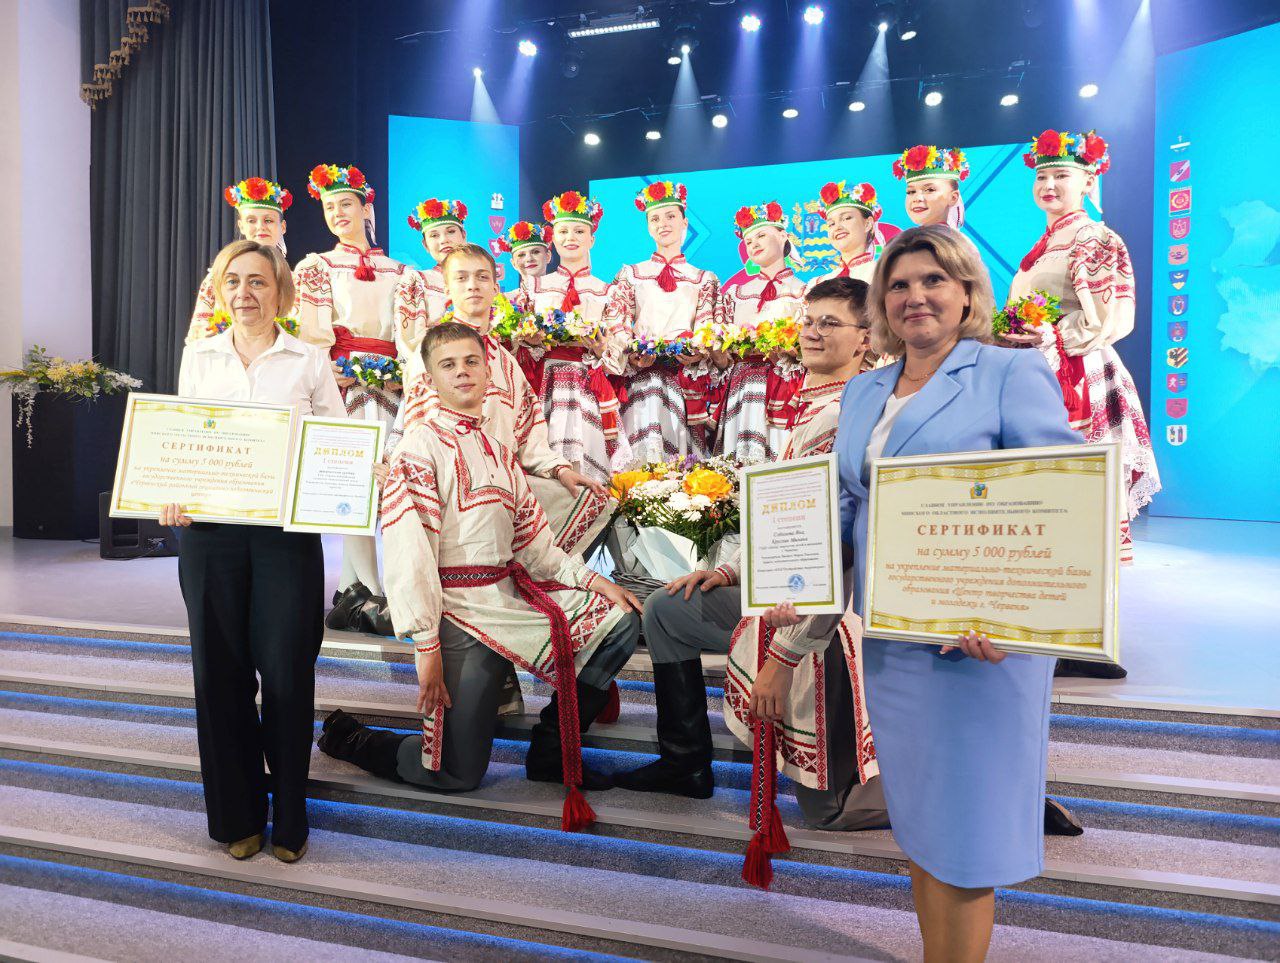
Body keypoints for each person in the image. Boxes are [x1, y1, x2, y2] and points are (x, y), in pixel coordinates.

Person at [831, 225, 1082, 960]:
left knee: (968, 834)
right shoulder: (864, 387)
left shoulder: (1010, 371)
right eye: (899, 284)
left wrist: (1014, 617)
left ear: (968, 292)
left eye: (934, 280)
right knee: (923, 824)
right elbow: (845, 506)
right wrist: (790, 585)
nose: (916, 296)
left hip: (982, 648)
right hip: (894, 642)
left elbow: (1058, 498)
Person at [318, 322, 641, 830]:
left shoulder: (497, 447)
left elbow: (534, 543)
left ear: (489, 371)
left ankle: (552, 748)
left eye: (471, 361)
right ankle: (352, 738)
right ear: (429, 379)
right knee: (455, 773)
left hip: (508, 599)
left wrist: (594, 582)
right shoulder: (420, 447)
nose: (463, 372)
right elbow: (410, 553)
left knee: (620, 622)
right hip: (459, 613)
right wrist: (426, 645)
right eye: (448, 365)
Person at [615, 279, 881, 838]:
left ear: (866, 338)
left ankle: (936, 792)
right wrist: (727, 570)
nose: (812, 332)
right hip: (788, 586)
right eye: (809, 320)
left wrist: (784, 652)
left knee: (829, 814)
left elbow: (834, 542)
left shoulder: (850, 413)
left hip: (832, 607)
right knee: (668, 608)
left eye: (830, 323)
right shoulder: (810, 407)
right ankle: (684, 762)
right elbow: (783, 522)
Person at [165, 240, 343, 864]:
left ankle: (290, 817)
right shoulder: (199, 357)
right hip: (210, 537)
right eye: (233, 281)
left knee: (288, 674)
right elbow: (179, 440)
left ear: (281, 292)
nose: (245, 293)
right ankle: (237, 817)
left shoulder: (309, 360)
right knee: (219, 676)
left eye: (258, 281)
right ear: (219, 292)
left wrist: (345, 482)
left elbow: (339, 442)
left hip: (285, 538)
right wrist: (169, 492)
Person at [1005, 129, 1161, 681]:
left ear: (1089, 181)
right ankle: (1057, 632)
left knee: (1083, 505)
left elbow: (1108, 320)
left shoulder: (1093, 237)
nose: (1048, 184)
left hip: (1078, 380)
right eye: (1042, 176)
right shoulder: (1047, 242)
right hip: (1045, 376)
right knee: (1052, 506)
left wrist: (1044, 333)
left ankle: (1090, 641)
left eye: (1061, 176)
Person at [393, 243, 612, 558]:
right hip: (453, 490)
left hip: (503, 484)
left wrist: (559, 469)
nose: (473, 285)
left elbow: (528, 432)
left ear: (496, 287)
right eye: (462, 278)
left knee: (595, 501)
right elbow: (420, 429)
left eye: (482, 277)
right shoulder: (431, 352)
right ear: (446, 288)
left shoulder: (504, 360)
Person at [293, 163, 408, 635]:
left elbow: (407, 332)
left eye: (346, 204)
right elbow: (309, 330)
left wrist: (405, 372)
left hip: (391, 385)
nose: (338, 213)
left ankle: (353, 589)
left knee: (387, 480)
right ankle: (372, 592)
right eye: (329, 207)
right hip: (342, 383)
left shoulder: (399, 271)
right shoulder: (317, 266)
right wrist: (328, 369)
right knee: (353, 482)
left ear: (366, 208)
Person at [510, 190, 630, 484]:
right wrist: (530, 341)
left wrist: (601, 347)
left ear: (592, 239)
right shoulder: (534, 287)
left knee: (589, 463)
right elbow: (513, 342)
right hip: (544, 383)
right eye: (563, 231)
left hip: (586, 384)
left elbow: (620, 350)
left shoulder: (608, 291)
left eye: (579, 231)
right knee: (543, 464)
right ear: (553, 238)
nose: (570, 237)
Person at [606, 181, 720, 463]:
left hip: (681, 379)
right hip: (641, 377)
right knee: (640, 456)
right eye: (655, 218)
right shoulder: (632, 273)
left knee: (681, 460)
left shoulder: (702, 278)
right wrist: (631, 352)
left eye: (670, 216)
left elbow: (707, 324)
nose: (663, 224)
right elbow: (617, 320)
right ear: (648, 226)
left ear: (685, 223)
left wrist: (697, 351)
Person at [714, 201, 806, 461]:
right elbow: (722, 356)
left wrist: (787, 349)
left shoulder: (802, 291)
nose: (754, 244)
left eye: (761, 235)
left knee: (778, 455)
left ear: (783, 236)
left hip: (782, 385)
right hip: (742, 386)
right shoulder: (735, 293)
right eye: (748, 241)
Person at [186, 176, 292, 342]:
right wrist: (207, 334)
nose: (260, 227)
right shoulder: (219, 276)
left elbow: (305, 333)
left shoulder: (296, 280)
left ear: (282, 227)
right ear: (241, 226)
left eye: (268, 220)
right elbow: (197, 331)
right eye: (251, 220)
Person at [394, 196, 470, 364]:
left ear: (463, 235)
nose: (444, 240)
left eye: (451, 232)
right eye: (434, 235)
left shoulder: (480, 279)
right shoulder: (417, 281)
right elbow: (408, 340)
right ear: (425, 245)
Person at [808, 180, 885, 287]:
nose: (837, 227)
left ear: (868, 224)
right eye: (831, 224)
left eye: (846, 218)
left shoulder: (884, 275)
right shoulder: (817, 284)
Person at [892, 145, 971, 230]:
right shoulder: (911, 237)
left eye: (930, 190)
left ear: (953, 198)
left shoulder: (950, 238)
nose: (917, 198)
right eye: (911, 192)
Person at [497, 219, 553, 301]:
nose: (529, 259)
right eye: (521, 255)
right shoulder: (505, 300)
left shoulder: (564, 297)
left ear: (548, 256)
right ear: (513, 263)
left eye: (536, 252)